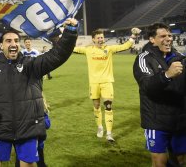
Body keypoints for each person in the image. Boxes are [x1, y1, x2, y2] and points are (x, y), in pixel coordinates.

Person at [0, 18, 78, 167]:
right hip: (0, 127)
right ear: (1, 45)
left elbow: (58, 55)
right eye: (9, 41)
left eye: (16, 40)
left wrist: (70, 33)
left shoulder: (31, 65)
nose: (13, 44)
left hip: (28, 128)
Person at [73, 27, 141, 142]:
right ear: (93, 39)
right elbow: (72, 49)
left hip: (107, 82)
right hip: (94, 83)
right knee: (96, 106)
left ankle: (109, 133)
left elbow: (124, 46)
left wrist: (133, 36)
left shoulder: (109, 49)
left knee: (108, 106)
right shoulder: (88, 50)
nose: (101, 39)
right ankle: (100, 127)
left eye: (102, 37)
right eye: (98, 38)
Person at [133, 23, 186, 166]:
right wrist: (167, 75)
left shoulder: (180, 57)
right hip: (156, 120)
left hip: (179, 118)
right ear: (152, 39)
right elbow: (147, 86)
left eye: (169, 35)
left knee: (180, 161)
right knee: (159, 162)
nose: (168, 38)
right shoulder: (144, 58)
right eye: (163, 36)